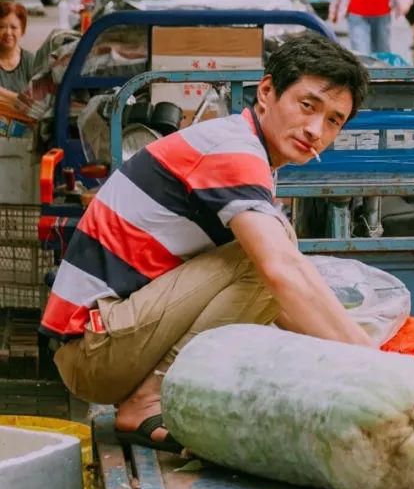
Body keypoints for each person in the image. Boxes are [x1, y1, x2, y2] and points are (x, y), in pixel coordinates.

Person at [42, 33, 376, 453]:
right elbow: (279, 272)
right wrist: (377, 365)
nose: (315, 130)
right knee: (270, 250)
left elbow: (276, 301)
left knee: (274, 250)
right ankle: (148, 400)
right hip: (94, 347)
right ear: (267, 92)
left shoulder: (243, 146)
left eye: (333, 121)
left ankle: (154, 392)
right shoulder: (232, 149)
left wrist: (341, 357)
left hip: (110, 339)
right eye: (307, 105)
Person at [0, 2, 36, 94]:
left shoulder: (30, 61)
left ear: (22, 31)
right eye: (2, 27)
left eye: (13, 27)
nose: (8, 32)